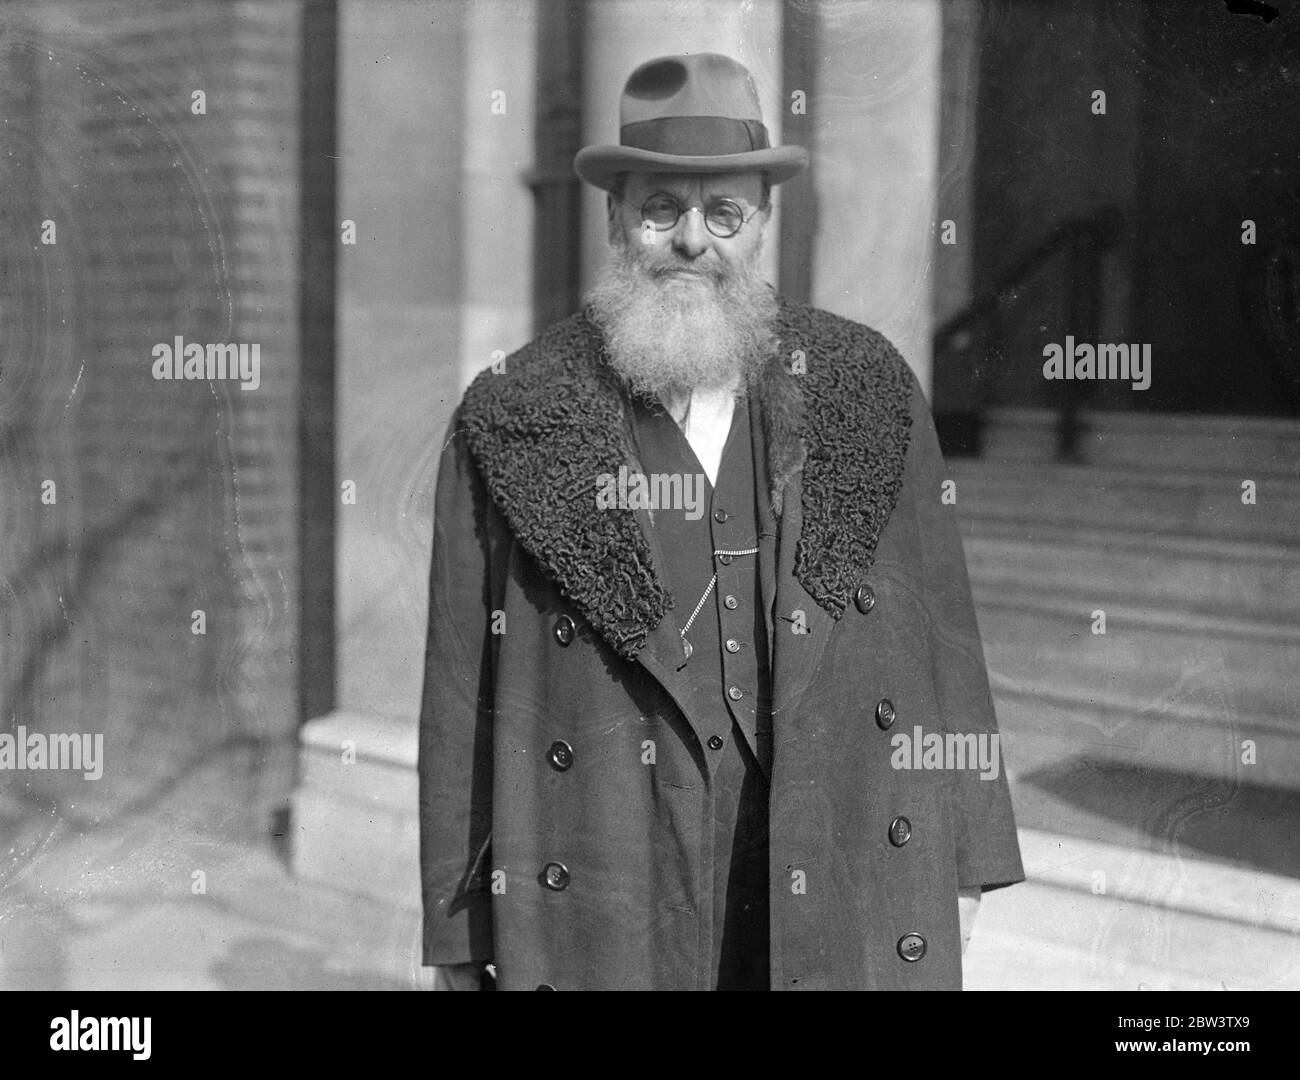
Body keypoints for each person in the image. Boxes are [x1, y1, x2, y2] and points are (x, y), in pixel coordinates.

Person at [419, 52, 1024, 991]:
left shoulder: (865, 387)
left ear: (762, 225)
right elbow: (462, 690)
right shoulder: (513, 415)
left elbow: (943, 630)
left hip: (825, 854)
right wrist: (457, 933)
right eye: (661, 208)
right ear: (617, 217)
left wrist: (967, 864)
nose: (691, 240)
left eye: (723, 213)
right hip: (612, 867)